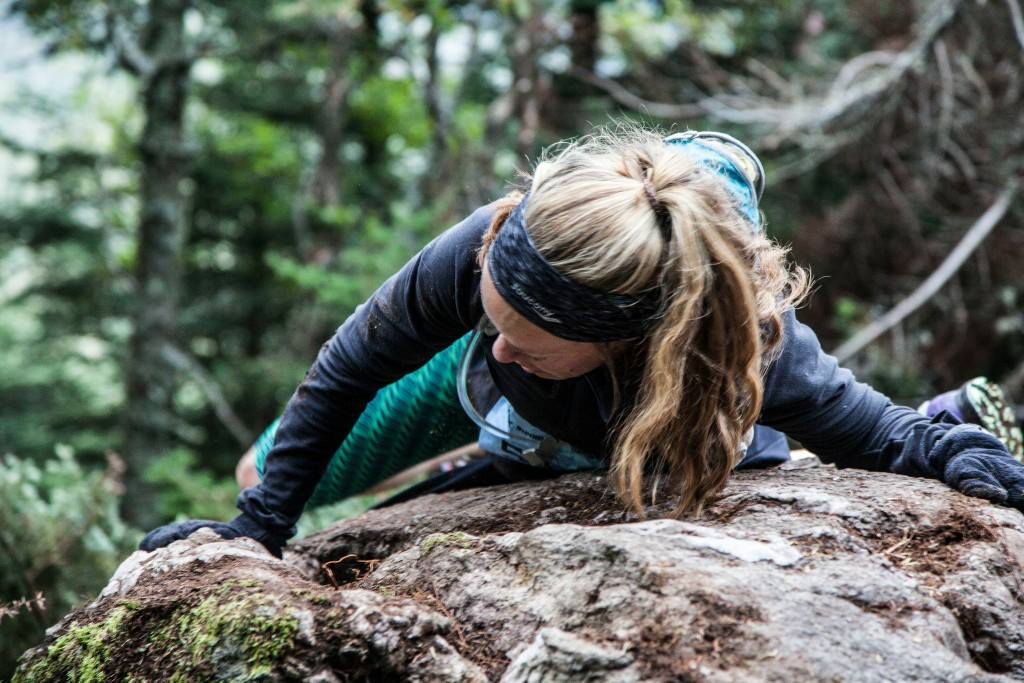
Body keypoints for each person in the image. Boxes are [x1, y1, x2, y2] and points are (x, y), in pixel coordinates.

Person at [141, 125, 1024, 558]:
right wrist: (258, 531)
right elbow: (349, 367)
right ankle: (504, 436)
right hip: (502, 389)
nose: (500, 345)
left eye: (526, 340)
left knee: (681, 468)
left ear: (626, 338)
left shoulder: (739, 353)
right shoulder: (494, 245)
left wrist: (947, 447)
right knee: (260, 473)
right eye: (494, 319)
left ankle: (520, 454)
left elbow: (875, 434)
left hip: (643, 412)